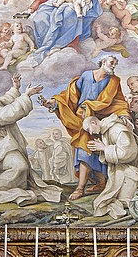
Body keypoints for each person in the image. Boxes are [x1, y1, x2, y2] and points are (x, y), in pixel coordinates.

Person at [41, 55, 130, 200]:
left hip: (100, 121)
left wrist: (125, 116)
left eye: (116, 64)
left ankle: (99, 184)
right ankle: (81, 188)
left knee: (97, 152)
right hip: (83, 121)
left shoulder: (114, 81)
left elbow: (119, 102)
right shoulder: (86, 76)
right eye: (112, 63)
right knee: (84, 149)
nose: (114, 66)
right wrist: (55, 102)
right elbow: (70, 96)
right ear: (103, 62)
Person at [0, 74, 62, 208]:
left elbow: (5, 101)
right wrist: (26, 95)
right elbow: (7, 114)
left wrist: (15, 88)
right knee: (19, 166)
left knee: (21, 167)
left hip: (5, 142)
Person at [19, 0, 102, 66]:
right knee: (40, 18)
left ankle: (61, 46)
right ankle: (46, 47)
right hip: (53, 4)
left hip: (71, 1)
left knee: (69, 13)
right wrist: (31, 9)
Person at [85, 115, 138, 220]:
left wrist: (105, 148)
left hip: (137, 167)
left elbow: (128, 153)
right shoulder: (106, 131)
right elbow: (114, 152)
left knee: (123, 200)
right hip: (124, 166)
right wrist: (102, 150)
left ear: (94, 123)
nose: (90, 133)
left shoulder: (117, 129)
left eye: (88, 129)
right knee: (112, 198)